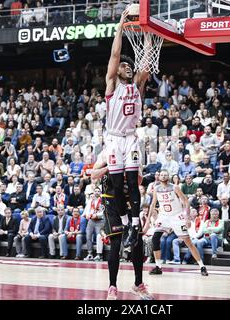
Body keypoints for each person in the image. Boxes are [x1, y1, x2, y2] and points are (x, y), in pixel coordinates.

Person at [104, 8, 149, 248]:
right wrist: (120, 27)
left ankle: (134, 223)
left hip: (131, 138)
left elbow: (147, 63)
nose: (126, 67)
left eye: (128, 66)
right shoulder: (112, 84)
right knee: (116, 185)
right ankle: (124, 221)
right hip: (113, 140)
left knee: (133, 183)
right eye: (123, 65)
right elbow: (115, 53)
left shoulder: (137, 86)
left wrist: (149, 32)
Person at [90, 151, 153, 300]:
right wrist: (111, 167)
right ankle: (112, 286)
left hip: (129, 200)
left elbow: (138, 181)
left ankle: (138, 284)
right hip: (110, 202)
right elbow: (93, 175)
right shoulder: (105, 155)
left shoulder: (134, 154)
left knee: (137, 242)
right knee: (116, 242)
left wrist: (128, 170)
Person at [146, 170, 208, 276]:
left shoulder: (175, 187)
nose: (163, 175)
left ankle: (202, 266)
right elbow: (152, 204)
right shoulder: (156, 189)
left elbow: (186, 201)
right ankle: (158, 266)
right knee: (155, 238)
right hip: (164, 216)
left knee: (188, 242)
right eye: (161, 174)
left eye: (165, 174)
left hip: (176, 216)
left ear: (168, 176)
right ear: (159, 177)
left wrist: (187, 217)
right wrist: (148, 220)